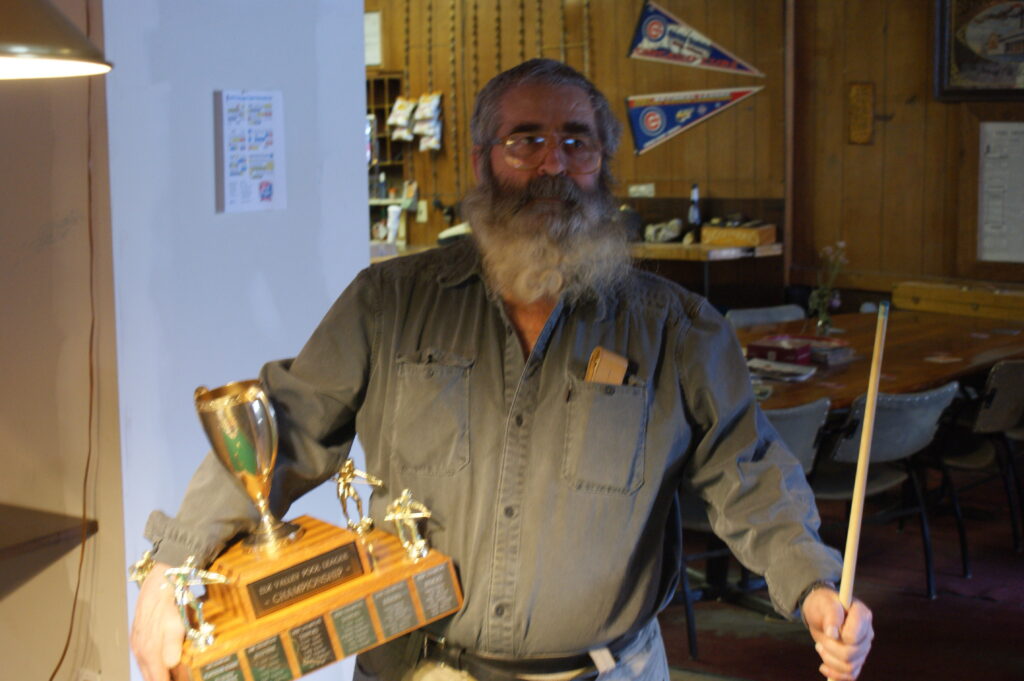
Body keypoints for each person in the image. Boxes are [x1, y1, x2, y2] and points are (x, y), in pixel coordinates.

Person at [131, 59, 873, 681]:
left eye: (576, 141)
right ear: (482, 159)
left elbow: (748, 472)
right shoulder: (389, 302)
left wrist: (812, 583)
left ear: (603, 164)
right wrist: (172, 569)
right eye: (526, 141)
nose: (553, 164)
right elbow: (285, 428)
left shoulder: (677, 328)